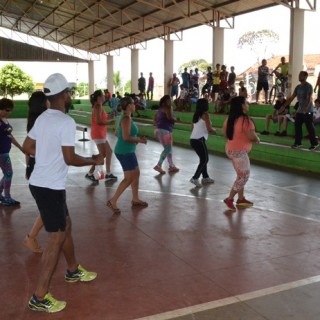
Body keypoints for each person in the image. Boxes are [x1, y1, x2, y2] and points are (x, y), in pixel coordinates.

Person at [22, 73, 104, 313]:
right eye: (69, 93)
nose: (70, 96)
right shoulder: (65, 122)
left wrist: (48, 152)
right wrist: (94, 159)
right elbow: (69, 158)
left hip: (42, 183)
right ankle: (39, 296)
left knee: (65, 225)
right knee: (56, 237)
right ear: (64, 95)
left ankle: (72, 270)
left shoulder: (43, 118)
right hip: (49, 186)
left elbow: (28, 147)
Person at [106, 96, 148, 214]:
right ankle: (113, 201)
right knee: (129, 177)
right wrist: (140, 140)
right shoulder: (126, 119)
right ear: (129, 106)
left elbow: (116, 133)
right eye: (133, 104)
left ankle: (135, 198)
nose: (135, 105)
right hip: (124, 152)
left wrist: (136, 138)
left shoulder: (125, 117)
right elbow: (126, 137)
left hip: (128, 150)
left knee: (136, 173)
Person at [222, 96, 260, 210]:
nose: (248, 105)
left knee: (240, 175)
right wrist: (257, 139)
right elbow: (251, 137)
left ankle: (241, 198)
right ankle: (229, 199)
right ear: (242, 106)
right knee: (244, 176)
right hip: (239, 153)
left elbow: (225, 133)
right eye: (246, 103)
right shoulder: (246, 120)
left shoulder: (230, 119)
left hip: (230, 149)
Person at [24, 91, 48, 254]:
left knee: (48, 209)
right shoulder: (40, 121)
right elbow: (30, 148)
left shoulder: (34, 120)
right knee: (48, 209)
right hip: (40, 166)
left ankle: (31, 237)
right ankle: (31, 237)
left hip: (36, 165)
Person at [85, 89, 117, 182]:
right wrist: (110, 123)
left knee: (107, 153)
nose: (104, 97)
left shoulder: (99, 106)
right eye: (102, 95)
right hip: (98, 133)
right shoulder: (98, 106)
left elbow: (102, 118)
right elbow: (98, 121)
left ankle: (106, 173)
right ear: (99, 97)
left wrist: (109, 116)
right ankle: (92, 173)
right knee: (103, 155)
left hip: (100, 133)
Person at [282, 71, 318, 150]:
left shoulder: (309, 86)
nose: (299, 76)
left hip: (308, 110)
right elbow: (291, 98)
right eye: (299, 75)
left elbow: (309, 98)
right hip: (299, 110)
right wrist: (284, 106)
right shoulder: (298, 87)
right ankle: (298, 143)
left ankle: (314, 143)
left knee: (309, 127)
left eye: (301, 75)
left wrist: (306, 108)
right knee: (297, 125)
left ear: (305, 77)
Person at [0, 98, 24, 206]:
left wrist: (20, 147)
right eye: (6, 110)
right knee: (8, 173)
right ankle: (7, 197)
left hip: (5, 151)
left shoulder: (5, 120)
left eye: (10, 110)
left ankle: (3, 195)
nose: (8, 112)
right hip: (1, 153)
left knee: (7, 173)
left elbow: (10, 137)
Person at [189, 98, 217, 188]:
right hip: (199, 140)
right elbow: (209, 129)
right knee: (205, 159)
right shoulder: (205, 115)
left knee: (203, 159)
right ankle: (195, 178)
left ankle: (205, 177)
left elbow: (192, 127)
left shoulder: (196, 115)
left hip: (193, 139)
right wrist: (214, 131)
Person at [153, 95, 180, 174]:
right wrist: (176, 120)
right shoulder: (168, 108)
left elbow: (154, 118)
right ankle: (158, 165)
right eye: (170, 100)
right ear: (166, 101)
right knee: (167, 149)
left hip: (160, 130)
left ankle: (171, 165)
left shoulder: (160, 109)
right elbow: (170, 118)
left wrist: (156, 127)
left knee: (169, 149)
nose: (171, 101)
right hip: (165, 131)